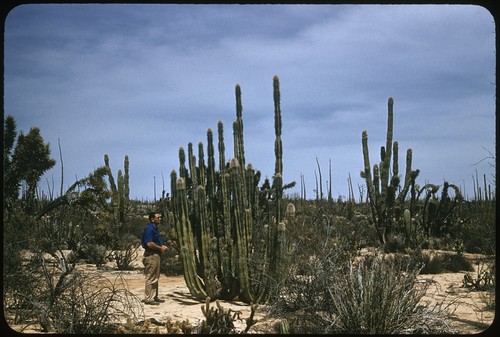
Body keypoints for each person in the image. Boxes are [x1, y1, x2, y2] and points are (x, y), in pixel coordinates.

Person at [141, 212, 169, 305]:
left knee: (155, 276)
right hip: (151, 255)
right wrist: (161, 248)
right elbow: (149, 243)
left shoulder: (154, 229)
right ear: (152, 219)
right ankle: (149, 298)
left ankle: (154, 297)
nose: (160, 219)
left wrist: (161, 246)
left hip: (155, 255)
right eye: (158, 217)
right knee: (151, 276)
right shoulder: (149, 229)